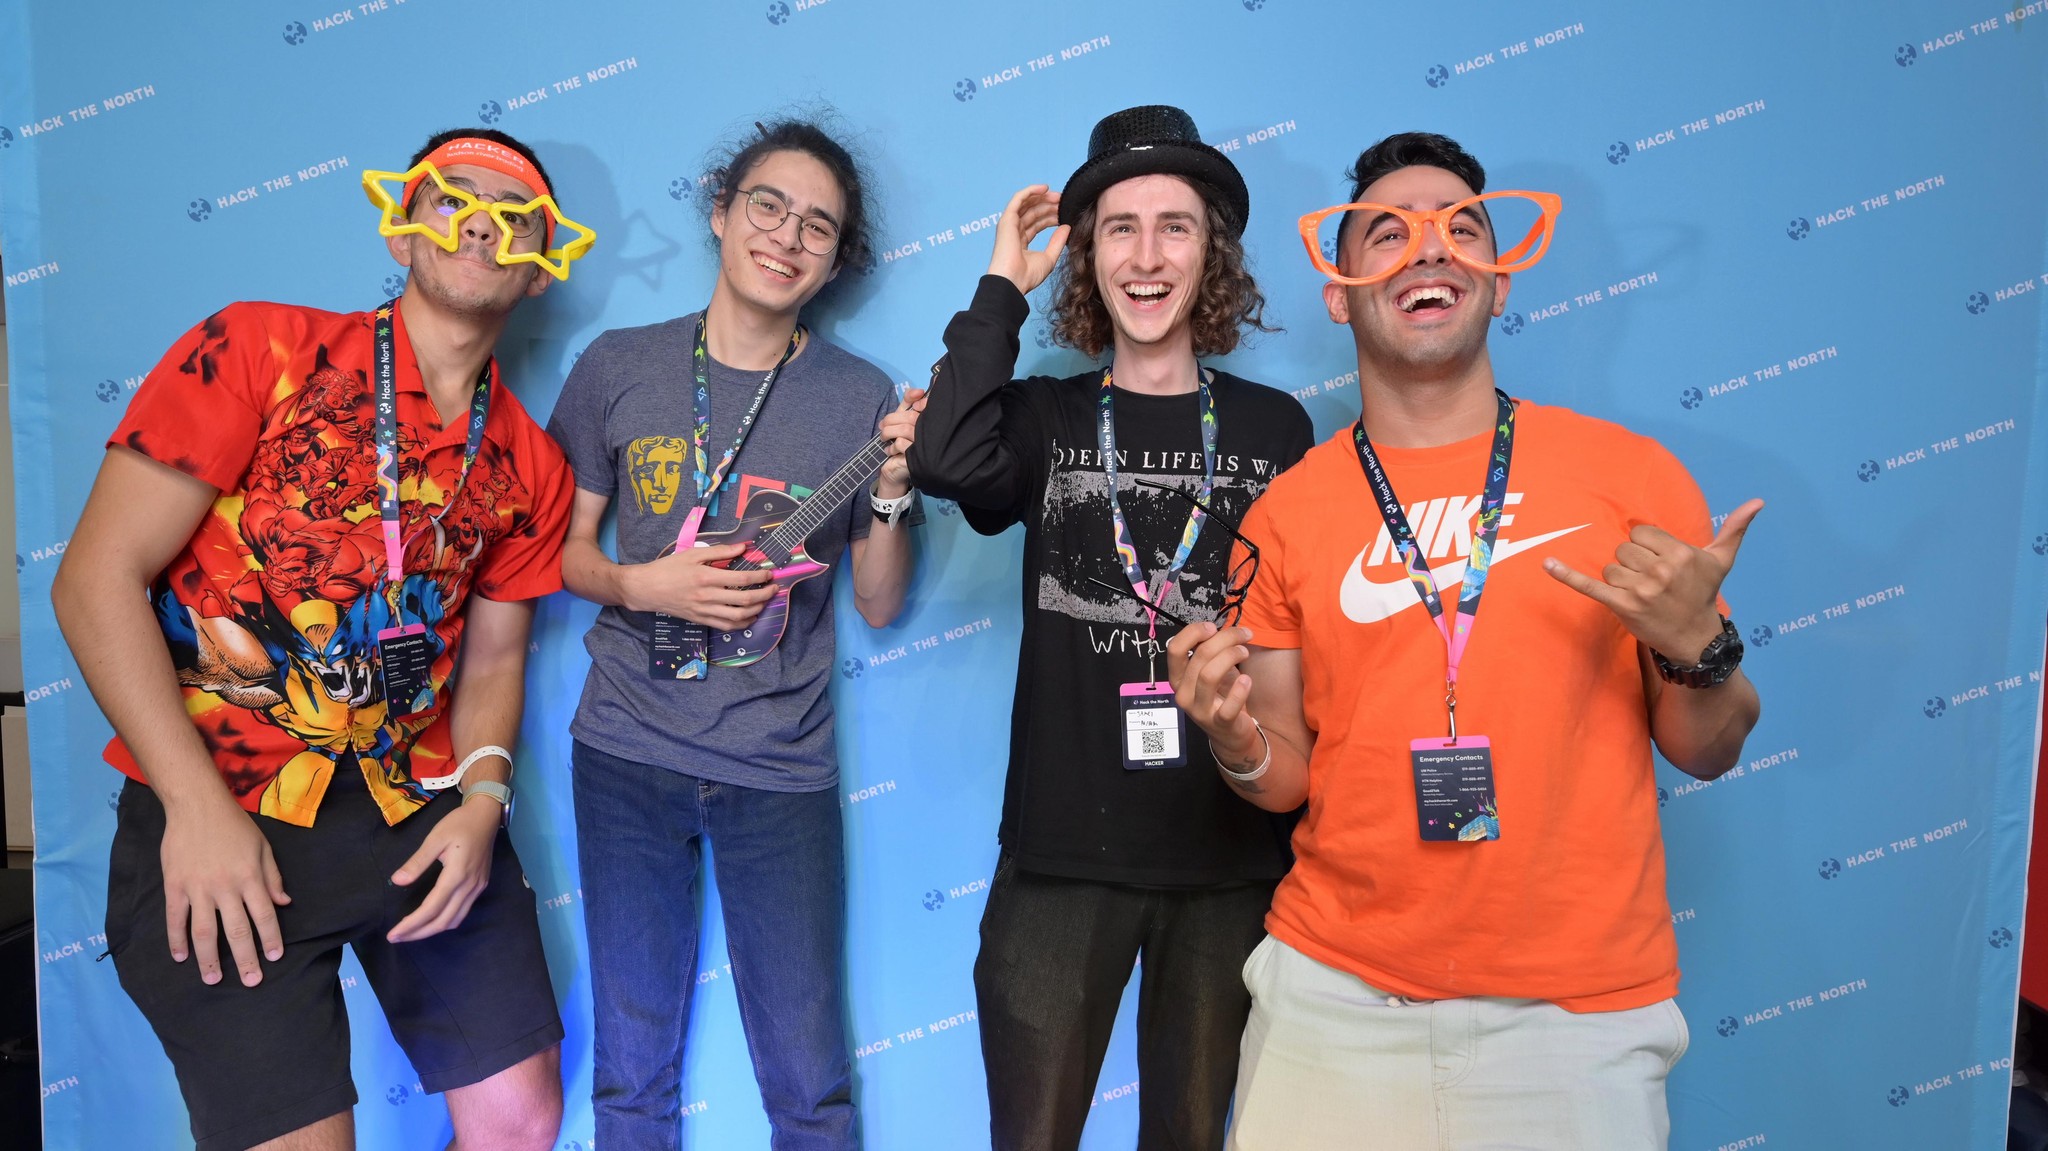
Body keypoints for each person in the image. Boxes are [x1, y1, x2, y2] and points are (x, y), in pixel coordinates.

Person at [1169, 131, 1764, 1149]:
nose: (1426, 250)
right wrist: (1231, 740)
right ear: (1339, 290)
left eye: (1459, 229)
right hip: (1332, 1002)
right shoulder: (1284, 514)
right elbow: (1283, 775)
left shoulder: (1628, 476)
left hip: (1576, 1020)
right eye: (1387, 233)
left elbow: (1706, 746)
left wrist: (1695, 649)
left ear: (1495, 278)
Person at [50, 127, 587, 1151]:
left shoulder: (532, 461)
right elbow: (93, 581)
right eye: (452, 197)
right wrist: (195, 813)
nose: (481, 221)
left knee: (520, 1119)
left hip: (412, 814)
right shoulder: (259, 347)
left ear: (535, 271)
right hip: (224, 805)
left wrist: (482, 801)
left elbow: (496, 659)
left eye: (513, 214)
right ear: (403, 226)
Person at [908, 105, 1314, 1151]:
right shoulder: (1042, 414)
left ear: (1209, 251)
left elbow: (1300, 635)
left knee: (1188, 1136)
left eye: (1173, 225)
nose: (1144, 255)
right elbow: (945, 458)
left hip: (1226, 857)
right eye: (1116, 227)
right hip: (1059, 859)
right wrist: (1003, 282)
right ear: (1085, 255)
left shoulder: (1274, 428)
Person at [546, 116, 921, 1151]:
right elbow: (558, 556)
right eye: (767, 205)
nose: (786, 236)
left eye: (818, 225)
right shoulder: (617, 364)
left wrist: (890, 488)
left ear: (836, 259)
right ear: (720, 212)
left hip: (778, 764)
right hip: (624, 751)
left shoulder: (859, 396)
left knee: (808, 1083)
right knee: (630, 1072)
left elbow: (880, 603)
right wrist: (642, 581)